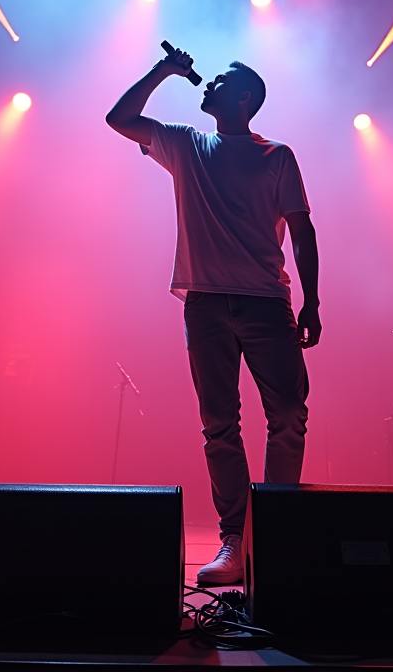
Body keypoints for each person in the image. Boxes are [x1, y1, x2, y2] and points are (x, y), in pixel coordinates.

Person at [107, 50, 320, 585]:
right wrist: (163, 72)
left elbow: (302, 230)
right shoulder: (186, 143)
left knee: (288, 414)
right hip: (204, 302)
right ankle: (236, 540)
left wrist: (312, 301)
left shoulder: (276, 155)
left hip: (266, 301)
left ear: (244, 97)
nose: (207, 85)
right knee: (219, 425)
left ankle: (275, 533)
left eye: (219, 81)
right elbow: (119, 118)